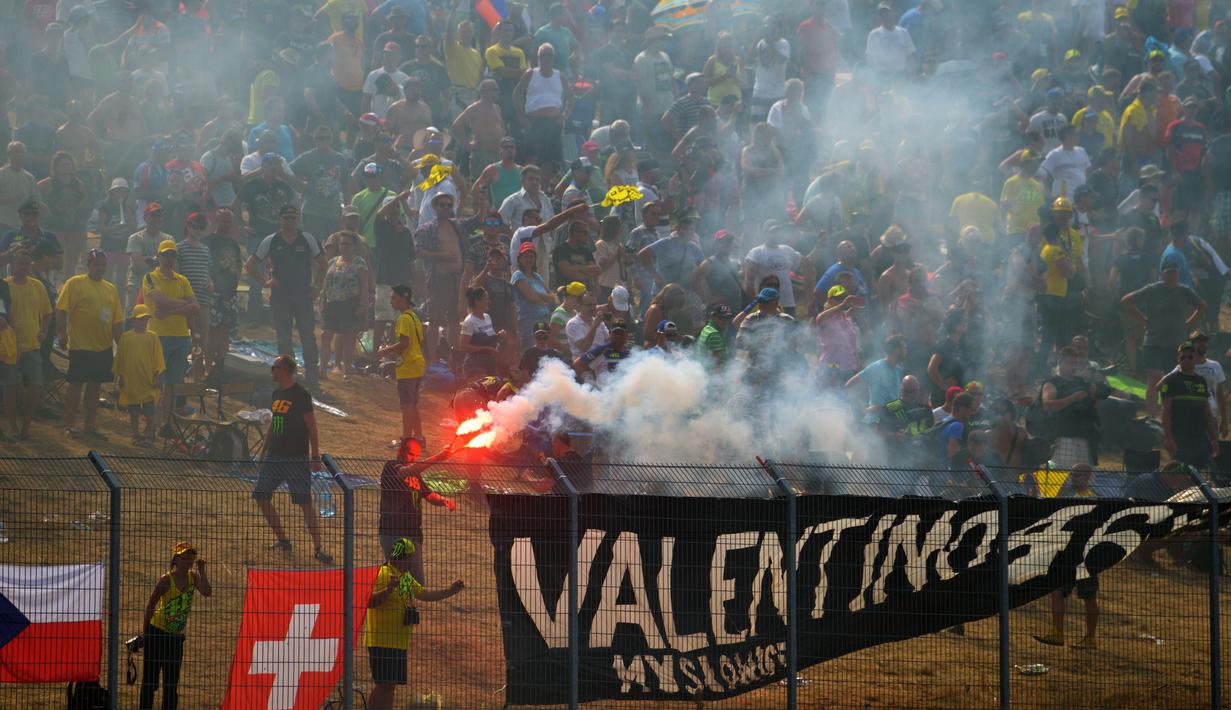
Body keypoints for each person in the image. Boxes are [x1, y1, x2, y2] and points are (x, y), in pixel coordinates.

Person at [365, 537, 464, 710]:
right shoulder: (383, 574)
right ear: (402, 557)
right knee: (383, 684)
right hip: (381, 640)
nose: (412, 560)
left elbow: (425, 595)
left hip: (398, 642)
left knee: (390, 685)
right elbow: (368, 601)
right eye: (410, 556)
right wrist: (387, 590)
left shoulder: (405, 578)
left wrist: (451, 591)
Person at [252, 355, 332, 563]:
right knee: (261, 495)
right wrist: (263, 450)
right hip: (274, 456)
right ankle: (283, 539)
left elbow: (312, 428)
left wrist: (315, 456)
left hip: (296, 458)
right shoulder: (276, 393)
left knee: (305, 502)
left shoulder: (301, 395)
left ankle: (318, 547)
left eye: (275, 367)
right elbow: (273, 423)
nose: (272, 371)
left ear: (285, 370)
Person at [247, 205, 325, 387]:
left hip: (303, 296)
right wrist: (265, 281)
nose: (290, 221)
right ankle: (288, 378)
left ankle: (312, 379)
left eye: (293, 217)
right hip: (280, 297)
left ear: (297, 219)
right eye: (286, 217)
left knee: (308, 337)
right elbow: (250, 265)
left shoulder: (307, 238)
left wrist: (318, 286)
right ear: (280, 219)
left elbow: (323, 262)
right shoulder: (271, 240)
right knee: (283, 339)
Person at [1121, 256, 1204, 415]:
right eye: (1169, 273)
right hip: (1154, 341)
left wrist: (1188, 323)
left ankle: (1172, 416)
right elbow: (1126, 301)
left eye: (1175, 273)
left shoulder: (1184, 290)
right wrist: (1143, 319)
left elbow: (1202, 306)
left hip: (1176, 343)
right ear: (1162, 274)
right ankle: (1152, 417)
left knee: (1174, 380)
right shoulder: (1153, 289)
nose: (1172, 276)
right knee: (1153, 380)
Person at [1032, 463, 1100, 649]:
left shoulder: (1093, 498)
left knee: (1088, 595)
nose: (1073, 477)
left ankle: (1090, 638)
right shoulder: (1067, 494)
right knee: (1056, 590)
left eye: (1078, 474)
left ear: (1087, 476)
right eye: (1073, 474)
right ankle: (1057, 633)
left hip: (1085, 553)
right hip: (1066, 552)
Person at [56, 249, 123, 437]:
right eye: (97, 264)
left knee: (95, 386)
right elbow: (61, 310)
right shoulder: (75, 283)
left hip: (103, 346)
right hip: (80, 345)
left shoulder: (110, 289)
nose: (100, 268)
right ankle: (70, 424)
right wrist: (61, 332)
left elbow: (117, 322)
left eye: (103, 265)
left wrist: (122, 346)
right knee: (76, 384)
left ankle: (90, 425)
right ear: (89, 265)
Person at [138, 542, 211, 710]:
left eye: (190, 559)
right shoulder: (166, 579)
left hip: (176, 639)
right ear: (176, 560)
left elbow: (207, 592)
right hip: (157, 633)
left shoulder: (193, 577)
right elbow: (150, 606)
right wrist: (146, 634)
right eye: (184, 558)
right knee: (150, 681)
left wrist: (202, 570)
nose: (188, 562)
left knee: (171, 684)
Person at [378, 438, 458, 579]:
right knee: (398, 579)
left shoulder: (415, 474)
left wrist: (444, 500)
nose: (413, 458)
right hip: (393, 532)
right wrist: (438, 457)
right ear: (400, 451)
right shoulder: (391, 466)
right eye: (410, 454)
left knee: (417, 581)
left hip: (413, 533)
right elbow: (406, 471)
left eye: (416, 455)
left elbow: (429, 495)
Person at [141, 240, 198, 431]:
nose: (169, 258)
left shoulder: (182, 280)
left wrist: (171, 310)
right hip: (159, 336)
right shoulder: (149, 277)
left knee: (173, 384)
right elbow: (158, 302)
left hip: (181, 336)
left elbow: (195, 307)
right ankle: (150, 422)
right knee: (155, 380)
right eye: (165, 254)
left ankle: (166, 422)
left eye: (172, 255)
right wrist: (182, 304)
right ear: (158, 256)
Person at [3, 249, 52, 440]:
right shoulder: (4, 286)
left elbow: (48, 312)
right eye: (20, 264)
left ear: (31, 265)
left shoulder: (38, 286)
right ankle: (13, 427)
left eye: (26, 264)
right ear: (12, 265)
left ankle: (26, 428)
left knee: (35, 387)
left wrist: (44, 331)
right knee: (10, 387)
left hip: (32, 346)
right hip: (10, 348)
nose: (23, 267)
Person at [378, 285, 426, 446]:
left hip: (408, 367)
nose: (391, 301)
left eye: (394, 298)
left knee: (407, 405)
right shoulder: (414, 316)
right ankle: (419, 437)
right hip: (417, 365)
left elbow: (404, 343)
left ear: (403, 298)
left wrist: (385, 350)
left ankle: (406, 439)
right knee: (413, 405)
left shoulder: (404, 318)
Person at [319, 231, 370, 379]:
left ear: (354, 246)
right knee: (325, 335)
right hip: (332, 304)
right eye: (342, 244)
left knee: (348, 338)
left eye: (347, 244)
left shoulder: (359, 263)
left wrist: (362, 305)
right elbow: (326, 284)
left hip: (350, 304)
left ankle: (347, 370)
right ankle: (322, 369)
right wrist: (322, 302)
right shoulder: (332, 262)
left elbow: (364, 286)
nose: (344, 247)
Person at [1161, 341, 1219, 469]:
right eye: (1183, 357)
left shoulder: (1201, 381)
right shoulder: (1171, 380)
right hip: (1179, 437)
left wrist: (1214, 438)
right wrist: (1168, 438)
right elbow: (1166, 412)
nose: (1186, 360)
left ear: (1195, 359)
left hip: (1200, 437)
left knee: (1199, 474)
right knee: (1180, 474)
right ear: (1178, 359)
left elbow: (1207, 413)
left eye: (1190, 357)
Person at [113, 303, 164, 446]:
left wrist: (156, 377)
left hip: (148, 381)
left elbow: (158, 359)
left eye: (146, 319)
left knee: (149, 410)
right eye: (140, 319)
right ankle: (135, 434)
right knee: (134, 410)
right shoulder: (126, 337)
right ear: (134, 320)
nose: (143, 322)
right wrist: (121, 378)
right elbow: (121, 359)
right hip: (131, 380)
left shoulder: (153, 337)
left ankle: (148, 436)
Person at [846, 334, 907, 422]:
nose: (906, 351)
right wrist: (863, 409)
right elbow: (849, 386)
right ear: (897, 350)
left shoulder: (899, 371)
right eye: (904, 348)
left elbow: (896, 399)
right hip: (875, 423)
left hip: (892, 421)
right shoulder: (876, 367)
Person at [459, 286, 503, 379]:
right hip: (475, 364)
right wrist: (486, 349)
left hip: (490, 362)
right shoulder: (469, 321)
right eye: (486, 299)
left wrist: (499, 335)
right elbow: (463, 347)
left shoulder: (487, 317)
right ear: (477, 302)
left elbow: (489, 338)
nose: (488, 301)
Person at [574, 319, 631, 385]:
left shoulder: (631, 352)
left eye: (621, 333)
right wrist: (592, 385)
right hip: (604, 392)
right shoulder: (602, 350)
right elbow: (578, 365)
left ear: (626, 335)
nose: (618, 336)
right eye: (615, 333)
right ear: (610, 334)